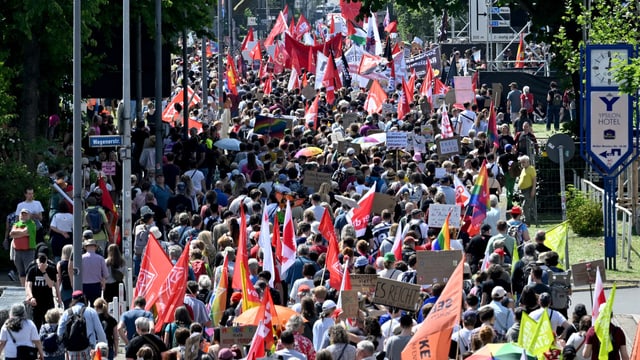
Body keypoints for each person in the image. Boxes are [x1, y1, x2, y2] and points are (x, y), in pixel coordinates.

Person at [57, 290, 107, 358]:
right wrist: (104, 345)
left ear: (73, 299)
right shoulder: (91, 311)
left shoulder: (66, 313)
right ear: (84, 298)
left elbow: (60, 332)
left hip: (71, 350)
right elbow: (99, 331)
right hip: (89, 350)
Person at [26, 252, 60, 329]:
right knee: (36, 324)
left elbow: (51, 285)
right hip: (36, 302)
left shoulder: (51, 269)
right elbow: (29, 285)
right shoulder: (32, 269)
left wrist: (44, 272)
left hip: (48, 301)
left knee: (49, 324)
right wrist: (31, 297)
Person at [10, 208, 37, 286]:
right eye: (22, 214)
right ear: (19, 216)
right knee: (21, 272)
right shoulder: (16, 224)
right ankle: (23, 288)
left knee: (29, 271)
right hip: (17, 251)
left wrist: (16, 234)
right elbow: (11, 234)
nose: (23, 216)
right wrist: (21, 234)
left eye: (25, 214)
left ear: (29, 216)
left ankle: (29, 289)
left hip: (28, 251)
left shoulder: (31, 224)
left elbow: (25, 231)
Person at [81, 237, 109, 305]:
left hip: (84, 285)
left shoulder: (81, 258)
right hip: (96, 286)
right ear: (95, 247)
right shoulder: (100, 259)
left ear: (85, 247)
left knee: (83, 307)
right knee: (96, 307)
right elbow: (106, 274)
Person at [517, 155, 537, 225]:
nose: (522, 164)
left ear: (528, 162)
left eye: (524, 162)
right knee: (523, 206)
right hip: (522, 191)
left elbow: (534, 180)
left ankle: (527, 222)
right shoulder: (523, 169)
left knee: (525, 206)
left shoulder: (531, 169)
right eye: (521, 162)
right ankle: (524, 219)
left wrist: (533, 190)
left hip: (528, 190)